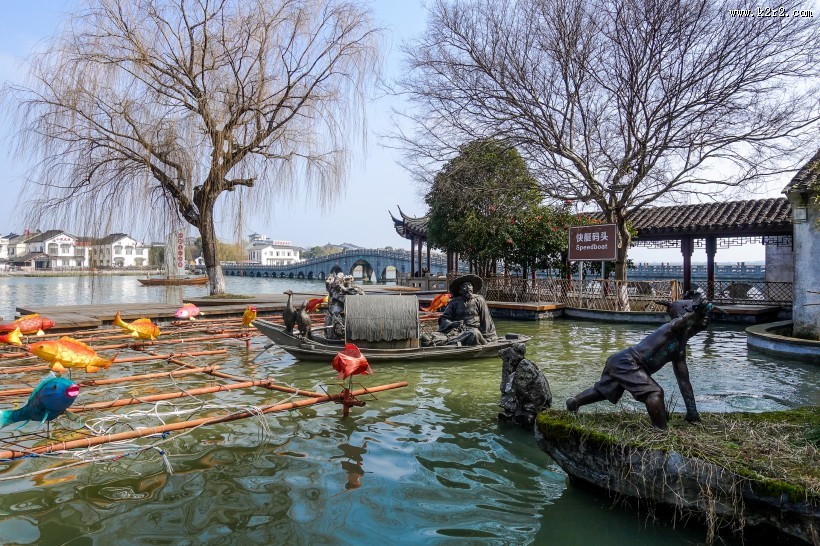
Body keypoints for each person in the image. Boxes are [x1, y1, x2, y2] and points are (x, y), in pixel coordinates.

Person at [565, 291, 716, 429]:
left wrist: (692, 413)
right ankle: (661, 432)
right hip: (628, 362)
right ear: (687, 314)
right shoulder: (671, 328)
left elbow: (684, 382)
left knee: (605, 391)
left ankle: (574, 402)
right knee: (654, 393)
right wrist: (699, 310)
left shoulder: (679, 349)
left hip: (621, 361)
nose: (706, 319)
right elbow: (683, 321)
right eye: (702, 316)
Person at [424, 274, 496, 346]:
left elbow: (486, 320)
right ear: (460, 291)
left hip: (473, 331)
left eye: (470, 285)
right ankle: (448, 341)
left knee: (474, 333)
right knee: (426, 336)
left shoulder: (479, 300)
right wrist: (451, 324)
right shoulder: (454, 302)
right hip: (457, 332)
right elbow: (443, 319)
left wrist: (488, 338)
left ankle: (445, 342)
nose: (468, 287)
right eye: (465, 286)